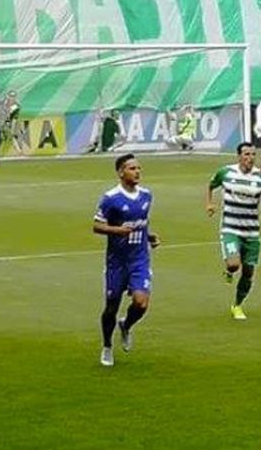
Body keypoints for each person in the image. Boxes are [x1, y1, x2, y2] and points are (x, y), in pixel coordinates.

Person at [92, 153, 158, 367]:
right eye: (132, 168)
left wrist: (149, 236)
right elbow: (97, 226)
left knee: (141, 303)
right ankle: (107, 346)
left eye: (139, 168)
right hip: (117, 262)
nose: (137, 172)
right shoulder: (111, 198)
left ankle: (126, 325)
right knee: (111, 307)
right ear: (121, 172)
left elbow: (141, 222)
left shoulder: (147, 195)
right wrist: (116, 230)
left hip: (139, 259)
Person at [206, 143, 261, 321]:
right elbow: (211, 185)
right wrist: (209, 203)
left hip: (251, 232)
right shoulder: (226, 173)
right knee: (234, 264)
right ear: (239, 156)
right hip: (230, 228)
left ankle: (237, 305)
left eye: (253, 154)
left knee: (248, 271)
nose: (250, 158)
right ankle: (229, 271)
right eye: (246, 154)